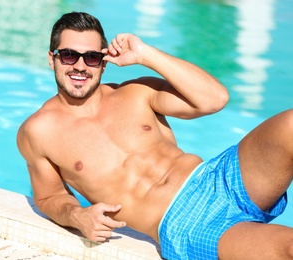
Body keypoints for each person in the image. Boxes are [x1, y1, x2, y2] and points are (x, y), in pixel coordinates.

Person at [17, 11, 293, 259]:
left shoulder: (137, 92)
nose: (79, 66)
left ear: (103, 63)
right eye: (68, 55)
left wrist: (144, 54)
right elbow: (49, 196)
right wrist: (78, 216)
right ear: (52, 59)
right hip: (184, 225)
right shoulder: (38, 131)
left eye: (91, 57)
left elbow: (214, 99)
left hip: (217, 177)